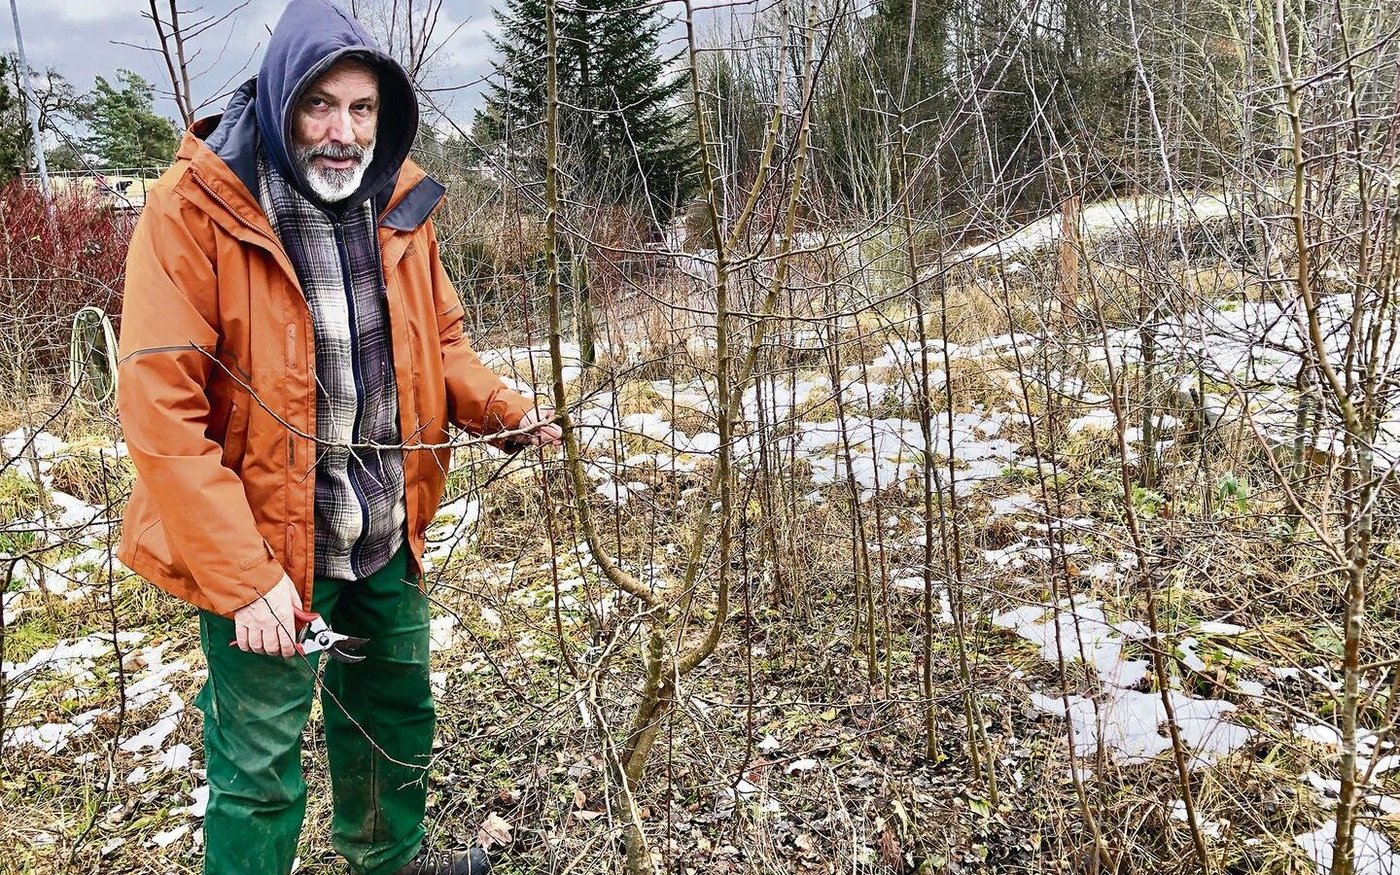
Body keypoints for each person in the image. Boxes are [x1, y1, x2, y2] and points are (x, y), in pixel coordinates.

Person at [115, 1, 561, 873]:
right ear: (282, 99)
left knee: (393, 724)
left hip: (384, 527)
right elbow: (161, 407)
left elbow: (436, 343)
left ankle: (387, 863)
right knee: (258, 774)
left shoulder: (398, 197)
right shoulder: (196, 209)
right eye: (320, 105)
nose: (342, 132)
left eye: (362, 110)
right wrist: (244, 582)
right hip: (269, 551)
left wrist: (506, 411)